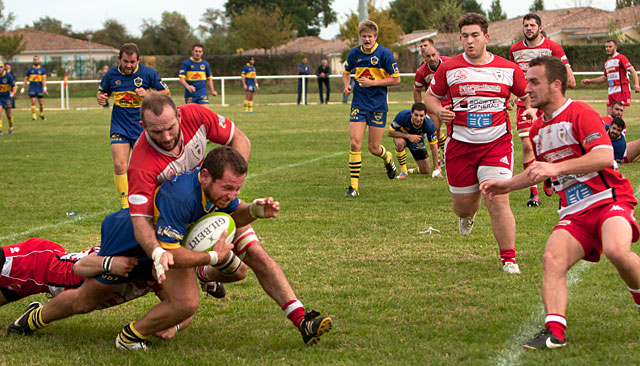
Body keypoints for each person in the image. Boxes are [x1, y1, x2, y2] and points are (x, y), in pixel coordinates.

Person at [9, 147, 332, 350]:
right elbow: (170, 255)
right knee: (84, 301)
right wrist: (214, 257)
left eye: (238, 188)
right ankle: (33, 320)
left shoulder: (218, 191)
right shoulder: (180, 199)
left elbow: (233, 210)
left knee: (233, 272)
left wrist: (255, 210)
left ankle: (299, 317)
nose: (233, 194)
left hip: (170, 247)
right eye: (228, 188)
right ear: (205, 177)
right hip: (132, 244)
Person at [480, 55, 640, 350]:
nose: (527, 88)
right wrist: (506, 185)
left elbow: (604, 156)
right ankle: (555, 333)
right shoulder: (538, 129)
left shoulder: (580, 112)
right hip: (574, 213)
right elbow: (538, 171)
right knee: (552, 259)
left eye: (534, 82)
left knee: (617, 251)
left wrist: (557, 168)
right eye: (527, 81)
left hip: (608, 199)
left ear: (556, 85)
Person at [425, 12, 534, 274]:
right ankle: (468, 216)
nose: (470, 41)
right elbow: (431, 97)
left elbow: (527, 94)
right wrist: (440, 111)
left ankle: (509, 259)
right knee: (463, 207)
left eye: (475, 35)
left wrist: (529, 109)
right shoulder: (449, 68)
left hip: (496, 143)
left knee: (497, 198)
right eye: (465, 36)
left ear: (486, 37)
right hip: (460, 145)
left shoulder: (508, 68)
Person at [127, 92, 250, 294]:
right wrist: (157, 252)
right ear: (143, 126)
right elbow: (140, 220)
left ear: (179, 116)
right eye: (157, 132)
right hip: (174, 219)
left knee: (247, 261)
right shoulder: (140, 166)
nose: (166, 137)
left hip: (210, 200)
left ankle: (298, 314)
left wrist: (231, 184)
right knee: (185, 305)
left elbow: (239, 138)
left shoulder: (195, 115)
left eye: (170, 128)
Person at [4, 239, 191, 340]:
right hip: (38, 264)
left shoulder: (160, 276)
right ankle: (31, 318)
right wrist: (108, 263)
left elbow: (184, 307)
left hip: (43, 286)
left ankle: (30, 318)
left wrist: (173, 326)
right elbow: (81, 266)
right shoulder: (128, 254)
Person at [510, 13, 577, 207]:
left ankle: (549, 175)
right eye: (526, 25)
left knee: (551, 142)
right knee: (527, 144)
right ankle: (534, 193)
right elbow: (514, 74)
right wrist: (513, 94)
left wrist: (566, 80)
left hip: (547, 102)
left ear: (540, 28)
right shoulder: (515, 49)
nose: (528, 28)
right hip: (526, 102)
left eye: (532, 25)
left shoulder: (552, 47)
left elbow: (567, 73)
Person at [97, 43, 170, 210]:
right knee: (119, 165)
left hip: (142, 127)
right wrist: (101, 98)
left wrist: (148, 94)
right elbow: (102, 93)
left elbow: (166, 93)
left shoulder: (148, 74)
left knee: (146, 168)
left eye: (132, 62)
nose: (128, 65)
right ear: (119, 59)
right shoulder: (111, 75)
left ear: (138, 60)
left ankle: (154, 200)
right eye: (125, 61)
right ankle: (125, 206)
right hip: (120, 126)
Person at [342, 20, 401, 198]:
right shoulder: (354, 54)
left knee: (374, 148)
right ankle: (354, 187)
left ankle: (388, 158)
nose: (367, 39)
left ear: (375, 37)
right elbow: (346, 72)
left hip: (377, 106)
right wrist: (347, 86)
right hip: (359, 104)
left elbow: (396, 79)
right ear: (360, 37)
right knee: (354, 143)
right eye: (364, 36)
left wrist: (373, 83)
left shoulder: (385, 54)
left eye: (370, 36)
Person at [581, 39, 640, 116]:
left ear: (615, 47)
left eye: (610, 46)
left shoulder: (621, 58)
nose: (607, 48)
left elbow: (632, 71)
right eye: (606, 47)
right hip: (611, 92)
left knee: (618, 118)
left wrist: (636, 84)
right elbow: (604, 78)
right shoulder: (607, 62)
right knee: (609, 118)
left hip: (621, 91)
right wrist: (590, 81)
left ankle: (623, 128)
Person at [413, 38, 450, 157]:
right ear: (425, 57)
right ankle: (438, 158)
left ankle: (450, 155)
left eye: (434, 55)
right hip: (434, 103)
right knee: (434, 130)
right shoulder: (421, 71)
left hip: (450, 102)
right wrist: (419, 108)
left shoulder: (449, 63)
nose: (432, 58)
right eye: (428, 56)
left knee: (453, 131)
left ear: (438, 54)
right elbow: (417, 90)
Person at [387, 102, 442, 179]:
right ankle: (404, 171)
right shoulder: (402, 116)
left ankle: (414, 170)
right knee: (400, 142)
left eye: (421, 116)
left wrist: (436, 169)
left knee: (426, 171)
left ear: (425, 115)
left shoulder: (429, 124)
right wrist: (408, 136)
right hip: (402, 136)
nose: (418, 118)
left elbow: (434, 146)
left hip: (417, 140)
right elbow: (389, 132)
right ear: (411, 113)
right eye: (416, 115)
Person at [20, 56, 47, 121]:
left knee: (41, 103)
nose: (36, 60)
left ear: (39, 60)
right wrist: (23, 88)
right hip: (32, 88)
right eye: (35, 59)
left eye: (37, 59)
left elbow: (44, 79)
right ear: (33, 60)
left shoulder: (42, 70)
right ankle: (34, 116)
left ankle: (41, 114)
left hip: (39, 88)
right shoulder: (29, 70)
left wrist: (45, 88)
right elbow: (26, 79)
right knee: (33, 101)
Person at [0, 62, 16, 136]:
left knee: (8, 115)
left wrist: (12, 93)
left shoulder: (8, 76)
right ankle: (0, 130)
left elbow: (14, 86)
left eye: (1, 67)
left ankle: (11, 127)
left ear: (3, 68)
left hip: (6, 96)